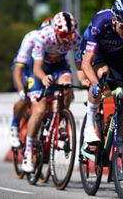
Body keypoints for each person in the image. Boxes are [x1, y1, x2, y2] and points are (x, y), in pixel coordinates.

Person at [21, 11, 82, 172]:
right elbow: (37, 68)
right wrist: (43, 78)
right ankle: (27, 151)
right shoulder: (43, 36)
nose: (67, 38)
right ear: (55, 30)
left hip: (59, 65)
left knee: (67, 84)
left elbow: (78, 64)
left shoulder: (75, 38)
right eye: (63, 34)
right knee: (39, 110)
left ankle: (61, 119)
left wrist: (85, 80)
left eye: (70, 34)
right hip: (40, 67)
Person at [80, 0, 123, 147]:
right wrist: (94, 84)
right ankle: (89, 126)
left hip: (115, 53)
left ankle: (119, 143)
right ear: (114, 21)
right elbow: (86, 63)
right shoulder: (100, 23)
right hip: (95, 51)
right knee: (102, 73)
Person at [9, 18, 53, 148]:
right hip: (25, 68)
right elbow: (18, 69)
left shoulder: (57, 42)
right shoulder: (31, 38)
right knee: (25, 98)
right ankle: (14, 125)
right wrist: (22, 90)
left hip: (40, 68)